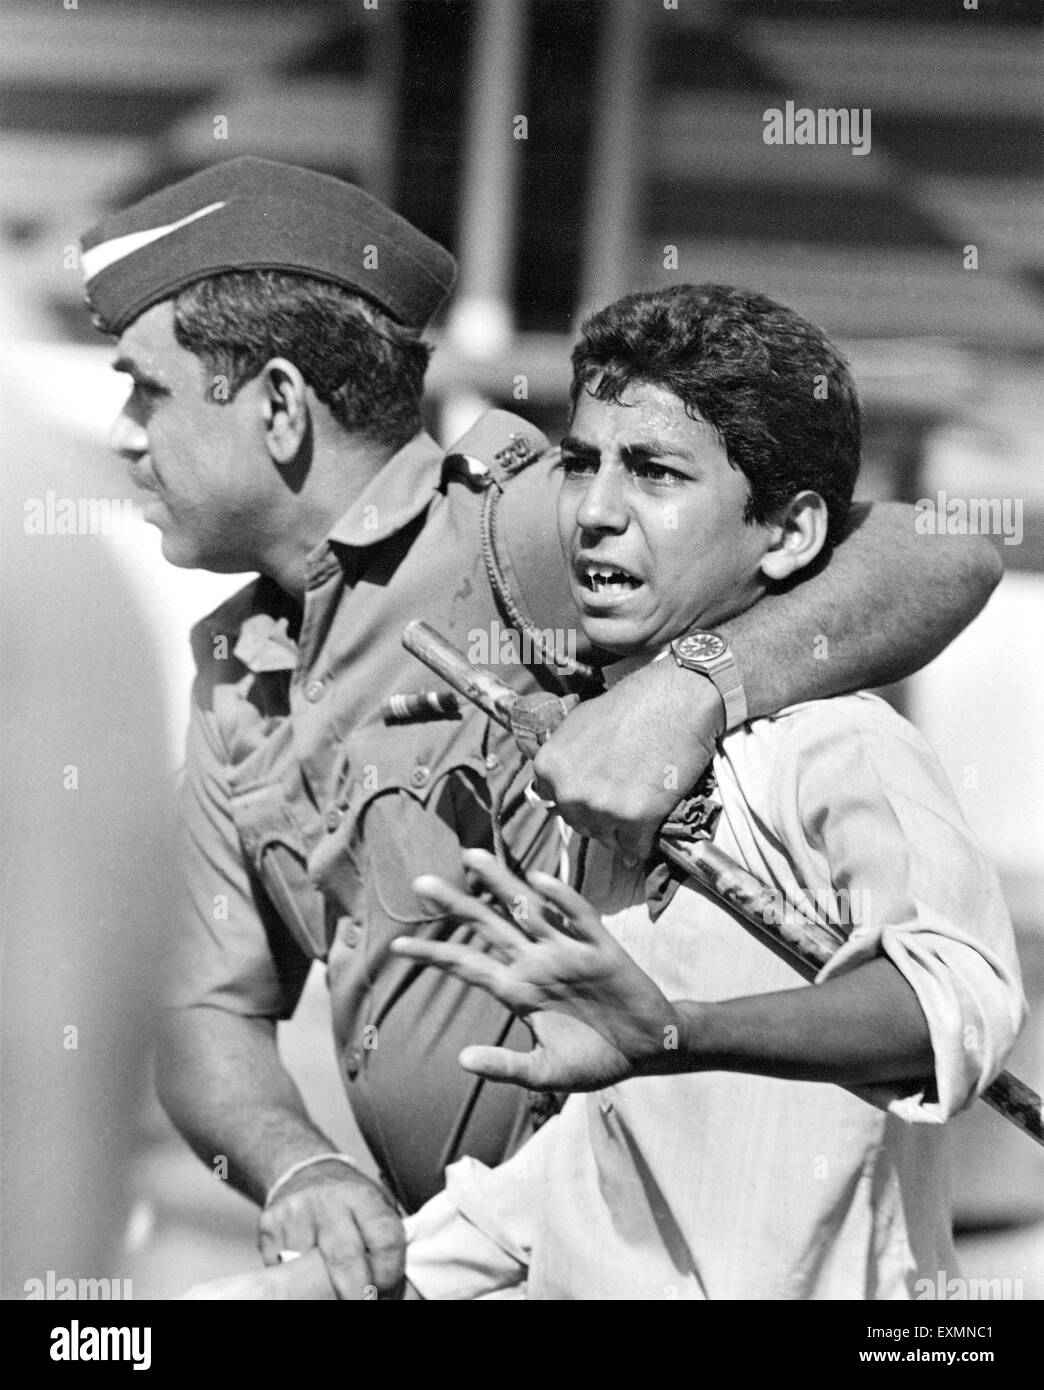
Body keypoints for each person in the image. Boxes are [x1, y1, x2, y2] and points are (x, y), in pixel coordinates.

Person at [81, 159, 1004, 1300]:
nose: (124, 437)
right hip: (501, 1249)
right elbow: (202, 1006)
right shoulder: (240, 670)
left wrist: (690, 690)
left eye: (148, 392)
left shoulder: (517, 526)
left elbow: (943, 554)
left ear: (277, 406)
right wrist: (303, 1169)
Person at [384, 286, 1025, 1299]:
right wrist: (395, 1272)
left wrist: (679, 1030)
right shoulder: (607, 778)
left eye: (653, 471)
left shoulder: (837, 744)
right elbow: (610, 1161)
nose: (594, 511)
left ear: (789, 534)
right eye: (582, 461)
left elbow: (958, 1006)